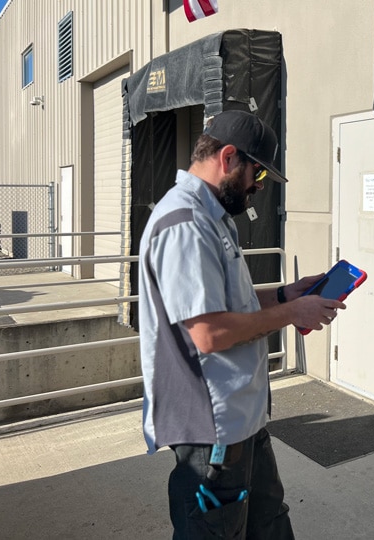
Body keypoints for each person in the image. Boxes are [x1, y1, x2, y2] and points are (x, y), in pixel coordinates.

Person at [138, 109, 344, 539]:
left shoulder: (212, 218)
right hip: (211, 428)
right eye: (258, 174)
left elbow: (235, 307)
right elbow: (209, 334)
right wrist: (291, 314)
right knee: (214, 531)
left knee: (267, 525)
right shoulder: (185, 224)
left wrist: (289, 294)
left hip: (241, 421)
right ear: (228, 157)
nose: (257, 188)